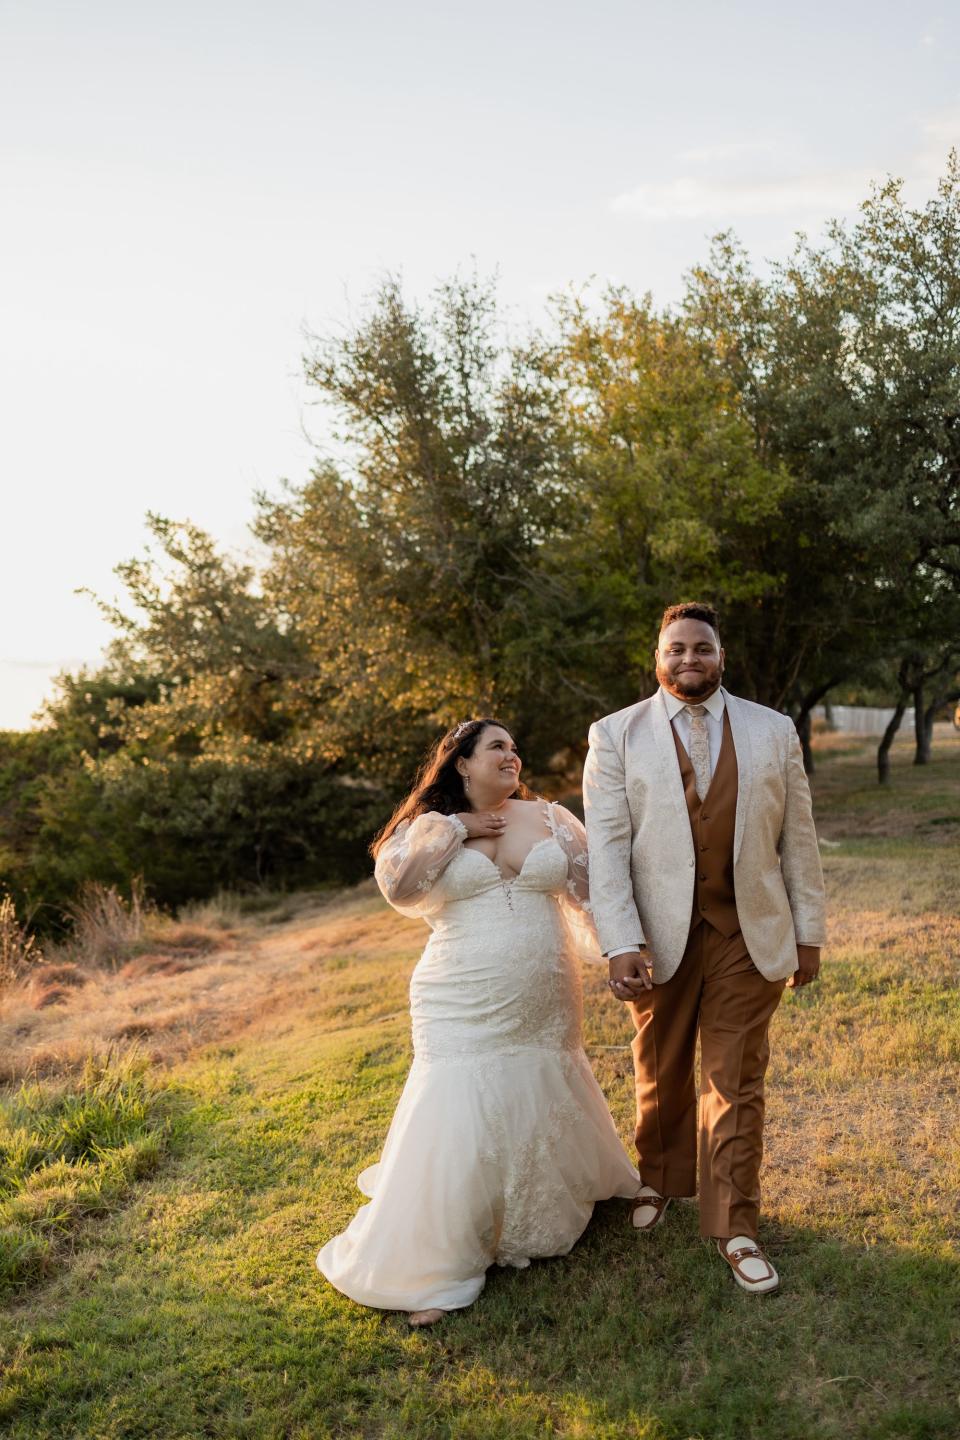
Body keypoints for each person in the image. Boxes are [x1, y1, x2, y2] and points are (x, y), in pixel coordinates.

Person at [317, 717, 639, 1326]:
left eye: (516, 748)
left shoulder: (548, 818)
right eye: (497, 747)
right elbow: (400, 889)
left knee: (538, 1083)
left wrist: (623, 952)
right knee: (459, 1101)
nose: (511, 755)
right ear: (462, 763)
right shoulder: (426, 828)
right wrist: (453, 829)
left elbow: (596, 891)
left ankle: (531, 1210)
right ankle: (439, 1261)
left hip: (541, 996)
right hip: (456, 993)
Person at [583, 603, 826, 1294]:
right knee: (659, 1065)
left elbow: (798, 842)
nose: (690, 658)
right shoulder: (615, 735)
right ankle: (660, 1177)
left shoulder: (772, 730)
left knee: (735, 1077)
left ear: (722, 657)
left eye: (703, 648)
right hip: (658, 937)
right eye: (677, 648)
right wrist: (620, 941)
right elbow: (608, 849)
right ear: (658, 658)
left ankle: (735, 1225)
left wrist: (808, 933)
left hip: (747, 932)